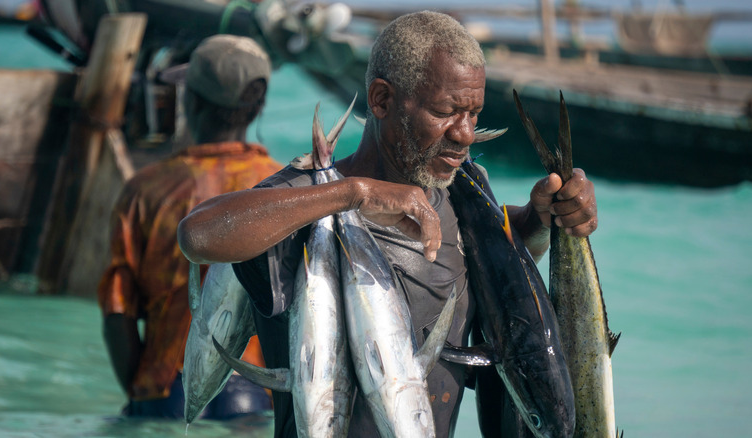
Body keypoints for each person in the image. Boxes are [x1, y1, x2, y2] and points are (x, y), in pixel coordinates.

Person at [177, 11, 598, 437]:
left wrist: (543, 219)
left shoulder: (464, 197)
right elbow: (198, 234)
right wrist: (353, 194)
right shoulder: (307, 200)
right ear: (381, 100)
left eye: (473, 114)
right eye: (447, 112)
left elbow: (498, 277)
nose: (466, 134)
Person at [96, 34, 283, 419]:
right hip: (253, 395)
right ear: (258, 107)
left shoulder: (146, 190)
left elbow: (118, 308)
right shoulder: (286, 188)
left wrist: (142, 394)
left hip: (166, 389)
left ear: (191, 101)